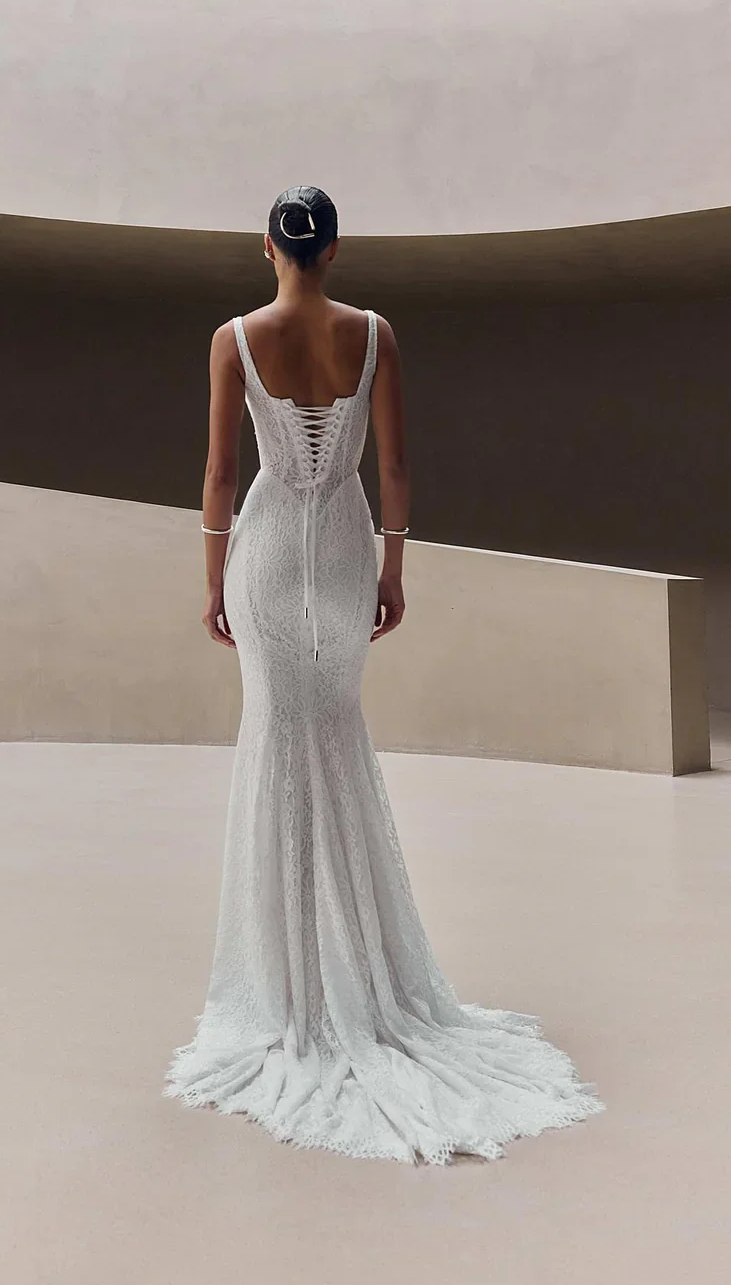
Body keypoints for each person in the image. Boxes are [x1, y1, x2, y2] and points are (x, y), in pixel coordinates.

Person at [163, 186, 603, 1164]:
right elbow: (395, 469)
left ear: (265, 247)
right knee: (333, 739)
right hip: (348, 551)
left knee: (282, 744)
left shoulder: (232, 337)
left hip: (270, 555)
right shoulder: (375, 334)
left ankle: (297, 994)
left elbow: (218, 472)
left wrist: (209, 582)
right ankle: (353, 978)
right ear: (334, 246)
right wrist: (393, 567)